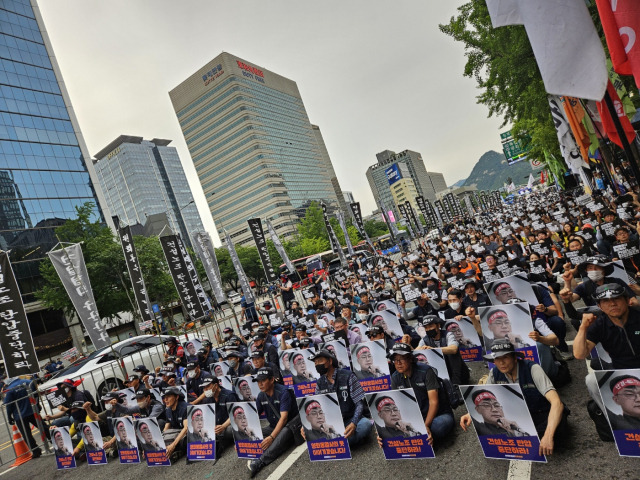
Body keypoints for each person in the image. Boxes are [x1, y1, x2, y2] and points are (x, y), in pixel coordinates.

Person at [460, 339, 568, 455]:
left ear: (515, 358)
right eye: (497, 359)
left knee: (558, 432)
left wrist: (548, 435)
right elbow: (486, 395)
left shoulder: (533, 369)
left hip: (542, 413)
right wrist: (469, 413)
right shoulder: (494, 373)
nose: (501, 363)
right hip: (521, 416)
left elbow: (557, 402)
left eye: (505, 357)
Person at [574, 284, 640, 411]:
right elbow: (579, 354)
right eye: (606, 301)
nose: (612, 304)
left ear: (627, 301)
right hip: (620, 371)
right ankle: (613, 422)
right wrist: (583, 327)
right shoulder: (599, 324)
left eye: (617, 299)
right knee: (591, 380)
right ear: (600, 306)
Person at [388, 343, 453, 444]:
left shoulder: (426, 371)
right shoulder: (395, 377)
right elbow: (399, 404)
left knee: (437, 427)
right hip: (418, 417)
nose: (398, 363)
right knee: (391, 431)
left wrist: (425, 426)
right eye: (395, 360)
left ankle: (424, 436)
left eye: (402, 359)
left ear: (410, 358)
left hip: (439, 414)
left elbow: (434, 402)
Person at [310, 349, 372, 446]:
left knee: (365, 425)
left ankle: (336, 442)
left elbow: (359, 404)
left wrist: (354, 423)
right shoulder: (319, 382)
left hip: (350, 418)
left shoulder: (348, 376)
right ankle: (343, 441)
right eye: (315, 362)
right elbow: (319, 407)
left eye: (320, 361)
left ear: (330, 361)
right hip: (333, 422)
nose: (317, 365)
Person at [248, 367, 300, 478]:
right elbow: (253, 417)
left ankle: (261, 461)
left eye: (263, 380)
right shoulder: (261, 395)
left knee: (283, 432)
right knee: (256, 433)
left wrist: (271, 437)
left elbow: (284, 418)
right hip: (274, 426)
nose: (260, 384)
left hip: (291, 426)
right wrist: (243, 439)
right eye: (258, 381)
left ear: (271, 380)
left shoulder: (283, 392)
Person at [416, 316, 470, 386]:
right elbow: (416, 351)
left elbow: (453, 349)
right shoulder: (425, 339)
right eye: (426, 327)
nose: (428, 329)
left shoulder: (448, 334)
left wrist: (433, 350)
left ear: (438, 325)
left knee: (452, 355)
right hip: (439, 371)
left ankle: (456, 382)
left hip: (455, 370)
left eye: (431, 326)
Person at [3, 376, 48, 458]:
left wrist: (9, 416)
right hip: (33, 410)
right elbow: (36, 394)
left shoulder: (9, 390)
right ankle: (55, 441)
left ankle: (36, 450)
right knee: (43, 427)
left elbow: (9, 405)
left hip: (20, 415)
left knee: (26, 434)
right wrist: (37, 405)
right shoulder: (28, 382)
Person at [461, 389, 531, 438]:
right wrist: (469, 415)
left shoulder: (512, 428)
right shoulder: (481, 428)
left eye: (497, 405)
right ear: (478, 410)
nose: (494, 409)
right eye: (486, 405)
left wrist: (516, 430)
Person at [200, 376, 239, 458]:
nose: (206, 389)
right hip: (219, 428)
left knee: (229, 431)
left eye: (208, 386)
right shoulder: (208, 400)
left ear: (216, 385)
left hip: (231, 424)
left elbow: (235, 415)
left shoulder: (229, 395)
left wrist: (223, 426)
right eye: (204, 388)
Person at [161, 387, 189, 461]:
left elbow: (186, 428)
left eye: (168, 397)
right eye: (165, 397)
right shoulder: (168, 410)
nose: (165, 400)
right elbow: (165, 429)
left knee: (187, 442)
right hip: (177, 434)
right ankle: (175, 451)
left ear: (177, 397)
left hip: (187, 433)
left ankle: (177, 450)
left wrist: (173, 445)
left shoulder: (185, 407)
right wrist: (159, 444)